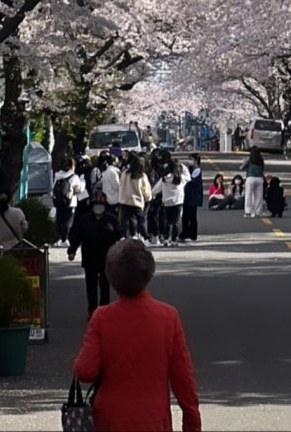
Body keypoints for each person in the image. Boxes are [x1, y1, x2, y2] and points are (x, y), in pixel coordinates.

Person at [73, 238, 202, 432]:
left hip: (111, 420)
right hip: (154, 420)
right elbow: (183, 378)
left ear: (111, 276)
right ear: (148, 272)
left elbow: (85, 371)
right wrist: (192, 423)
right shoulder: (168, 317)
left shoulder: (102, 318)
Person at [68, 189, 121, 317]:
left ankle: (105, 310)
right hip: (89, 257)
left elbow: (119, 235)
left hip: (105, 257)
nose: (98, 208)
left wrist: (113, 231)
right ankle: (92, 310)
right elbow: (76, 236)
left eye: (100, 205)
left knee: (105, 285)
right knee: (90, 285)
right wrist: (72, 251)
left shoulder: (111, 220)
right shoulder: (84, 220)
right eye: (96, 205)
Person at [151, 159, 186, 244]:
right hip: (178, 202)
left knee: (168, 221)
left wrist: (151, 194)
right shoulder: (180, 178)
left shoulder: (164, 178)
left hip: (167, 203)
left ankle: (166, 239)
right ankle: (174, 240)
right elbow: (188, 177)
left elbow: (156, 189)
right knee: (176, 222)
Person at [118, 153, 152, 240]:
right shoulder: (142, 175)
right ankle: (144, 236)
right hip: (136, 201)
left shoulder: (125, 173)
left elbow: (121, 185)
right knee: (141, 220)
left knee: (126, 220)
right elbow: (146, 190)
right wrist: (148, 198)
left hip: (124, 200)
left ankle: (127, 236)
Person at [52, 156, 83, 247]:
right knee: (68, 221)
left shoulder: (57, 175)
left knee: (59, 220)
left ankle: (59, 238)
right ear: (72, 166)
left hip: (58, 202)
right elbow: (79, 189)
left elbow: (54, 188)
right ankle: (64, 239)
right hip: (70, 202)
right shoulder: (74, 176)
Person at [180, 157, 204, 241]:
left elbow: (191, 181)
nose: (190, 161)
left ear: (196, 161)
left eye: (192, 159)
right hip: (187, 196)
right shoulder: (189, 170)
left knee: (192, 216)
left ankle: (192, 235)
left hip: (193, 197)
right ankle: (184, 233)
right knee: (185, 216)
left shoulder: (197, 171)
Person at [240, 146, 265, 217]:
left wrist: (242, 163)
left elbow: (242, 168)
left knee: (248, 195)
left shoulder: (249, 159)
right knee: (259, 196)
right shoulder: (261, 160)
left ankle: (248, 211)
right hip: (259, 179)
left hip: (250, 178)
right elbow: (262, 170)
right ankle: (258, 212)